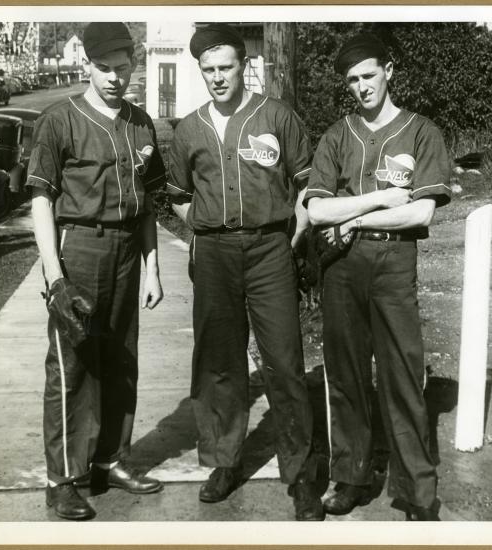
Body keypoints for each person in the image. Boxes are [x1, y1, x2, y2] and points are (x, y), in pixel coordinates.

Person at [167, 23, 324, 521]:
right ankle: (223, 462)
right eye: (208, 70)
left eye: (226, 67)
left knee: (283, 358)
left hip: (271, 248)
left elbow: (309, 184)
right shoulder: (188, 128)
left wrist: (292, 237)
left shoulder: (275, 115)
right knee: (219, 363)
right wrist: (205, 231)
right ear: (201, 72)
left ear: (243, 66)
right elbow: (176, 196)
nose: (217, 77)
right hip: (213, 253)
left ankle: (300, 475)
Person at [304, 33, 452, 520]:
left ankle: (417, 491)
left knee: (403, 377)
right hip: (341, 268)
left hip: (393, 262)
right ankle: (350, 477)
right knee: (344, 375)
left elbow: (421, 214)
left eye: (369, 74)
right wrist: (378, 200)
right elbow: (319, 208)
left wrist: (356, 218)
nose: (361, 86)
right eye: (352, 79)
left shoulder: (420, 131)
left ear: (389, 71)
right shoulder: (336, 135)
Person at [26, 22, 166, 521]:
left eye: (121, 67)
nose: (113, 77)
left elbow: (150, 203)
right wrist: (55, 276)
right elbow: (41, 200)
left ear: (133, 63)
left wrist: (152, 269)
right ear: (88, 65)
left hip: (128, 248)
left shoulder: (141, 123)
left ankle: (111, 458)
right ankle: (61, 478)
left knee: (120, 358)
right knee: (72, 366)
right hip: (79, 246)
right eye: (103, 68)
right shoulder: (59, 120)